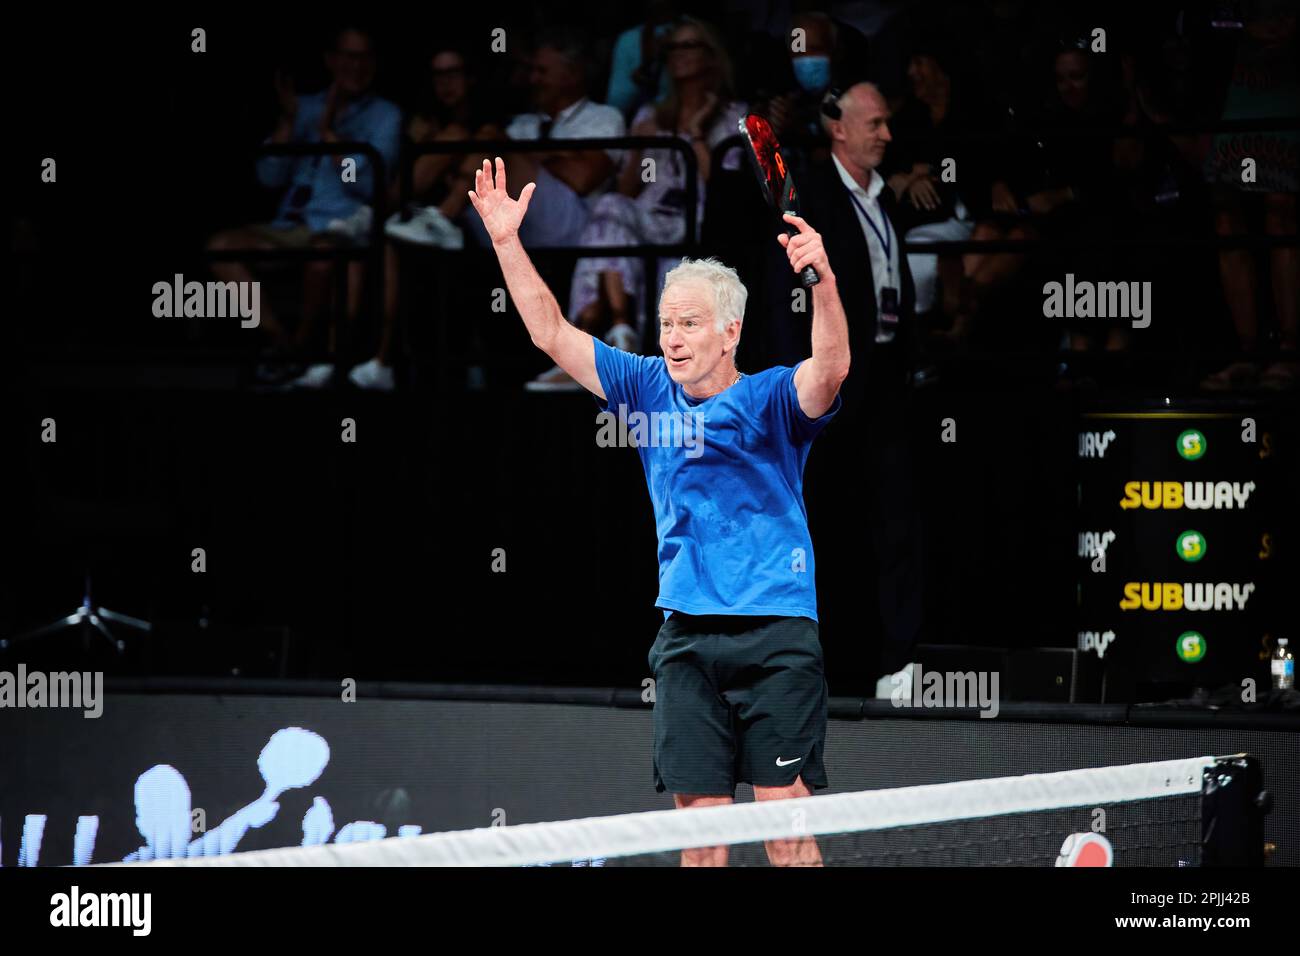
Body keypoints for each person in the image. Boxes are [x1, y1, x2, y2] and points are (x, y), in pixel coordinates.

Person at [469, 154, 849, 867]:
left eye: (690, 324)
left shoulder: (769, 398)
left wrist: (822, 282)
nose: (671, 337)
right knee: (699, 839)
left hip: (777, 637)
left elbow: (829, 370)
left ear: (729, 332)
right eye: (666, 322)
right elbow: (550, 332)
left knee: (785, 827)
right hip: (685, 643)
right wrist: (505, 241)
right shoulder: (644, 387)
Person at [769, 81, 924, 700]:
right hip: (828, 382)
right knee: (821, 521)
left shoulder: (884, 197)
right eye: (876, 124)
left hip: (883, 381)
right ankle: (810, 662)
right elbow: (791, 292)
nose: (886, 134)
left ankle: (897, 662)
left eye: (888, 124)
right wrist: (800, 382)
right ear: (838, 127)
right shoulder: (812, 195)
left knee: (897, 518)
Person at [528, 16, 747, 391]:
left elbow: (722, 194)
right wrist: (640, 146)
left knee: (621, 225)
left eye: (689, 45)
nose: (678, 54)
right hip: (646, 214)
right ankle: (617, 328)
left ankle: (593, 350)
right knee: (610, 207)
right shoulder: (650, 115)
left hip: (695, 221)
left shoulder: (734, 116)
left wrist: (695, 133)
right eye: (673, 47)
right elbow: (628, 190)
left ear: (711, 56)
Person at [206, 25, 401, 387]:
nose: (355, 66)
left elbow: (366, 184)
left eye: (364, 57)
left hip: (339, 226)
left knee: (323, 256)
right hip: (289, 225)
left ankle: (299, 351)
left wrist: (330, 137)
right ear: (330, 60)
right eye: (348, 56)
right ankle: (282, 342)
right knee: (221, 248)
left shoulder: (384, 116)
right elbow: (268, 176)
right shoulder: (305, 107)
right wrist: (288, 121)